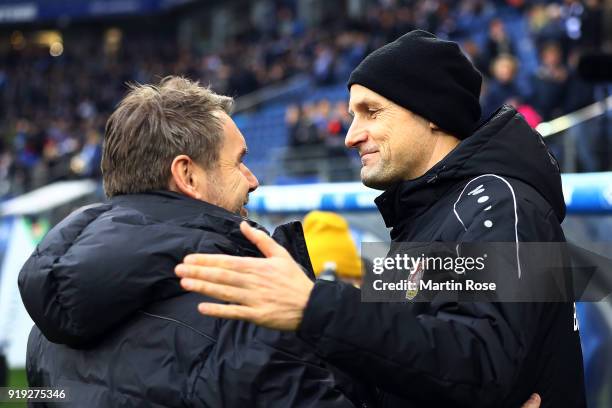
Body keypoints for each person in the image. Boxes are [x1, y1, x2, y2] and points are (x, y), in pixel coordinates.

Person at [175, 31, 585, 407]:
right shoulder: (420, 216)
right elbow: (386, 377)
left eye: (371, 112)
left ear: (432, 113)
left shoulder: (498, 203)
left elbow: (478, 366)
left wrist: (314, 305)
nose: (351, 135)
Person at [18, 76, 368, 407]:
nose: (253, 179)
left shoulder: (44, 335)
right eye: (239, 161)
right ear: (187, 175)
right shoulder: (242, 324)